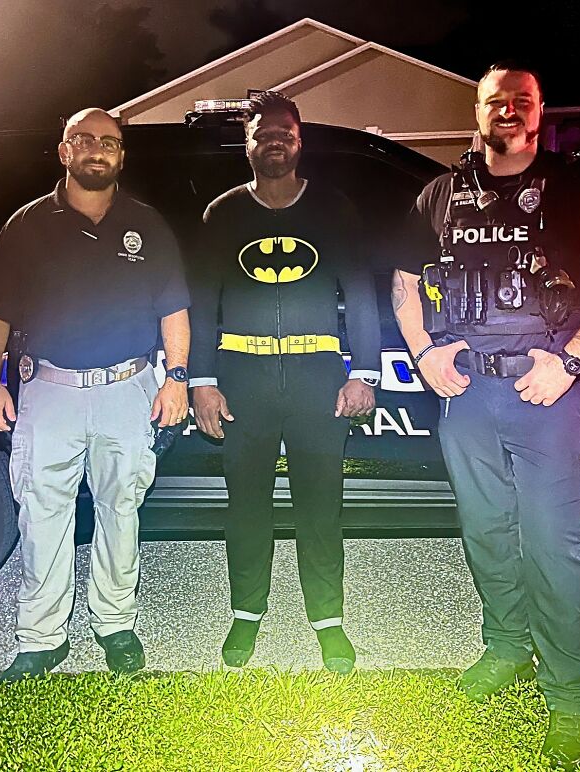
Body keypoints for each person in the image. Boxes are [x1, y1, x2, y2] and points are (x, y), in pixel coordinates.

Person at [392, 63, 580, 768]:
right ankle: (506, 647)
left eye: (522, 101)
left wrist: (567, 364)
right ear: (477, 109)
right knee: (487, 536)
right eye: (495, 100)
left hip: (549, 396)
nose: (508, 110)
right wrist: (424, 352)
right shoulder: (440, 193)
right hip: (467, 395)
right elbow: (406, 279)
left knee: (553, 550)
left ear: (540, 111)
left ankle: (571, 699)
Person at [0, 108, 191, 681]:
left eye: (111, 142)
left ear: (122, 155)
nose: (98, 149)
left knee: (122, 511)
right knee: (43, 515)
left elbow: (174, 308)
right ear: (65, 150)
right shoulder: (27, 225)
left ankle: (115, 624)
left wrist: (176, 378)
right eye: (85, 140)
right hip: (50, 390)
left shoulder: (147, 225)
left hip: (127, 388)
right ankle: (42, 638)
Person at [189, 91, 380, 674]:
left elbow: (363, 293)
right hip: (242, 377)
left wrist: (363, 373)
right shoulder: (222, 214)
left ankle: (328, 622)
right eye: (263, 133)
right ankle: (246, 613)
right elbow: (202, 303)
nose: (274, 140)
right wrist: (202, 379)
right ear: (248, 145)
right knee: (247, 504)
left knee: (321, 505)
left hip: (316, 377)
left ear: (300, 142)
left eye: (285, 133)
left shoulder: (336, 209)